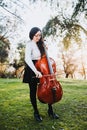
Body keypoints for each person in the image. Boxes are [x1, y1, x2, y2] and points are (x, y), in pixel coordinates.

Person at [23, 27, 59, 122]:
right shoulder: (29, 44)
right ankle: (36, 112)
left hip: (42, 68)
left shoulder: (41, 44)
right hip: (32, 68)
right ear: (32, 35)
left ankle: (50, 110)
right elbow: (27, 59)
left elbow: (45, 59)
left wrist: (45, 50)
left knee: (49, 89)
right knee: (33, 91)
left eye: (40, 35)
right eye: (36, 35)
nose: (38, 37)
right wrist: (36, 71)